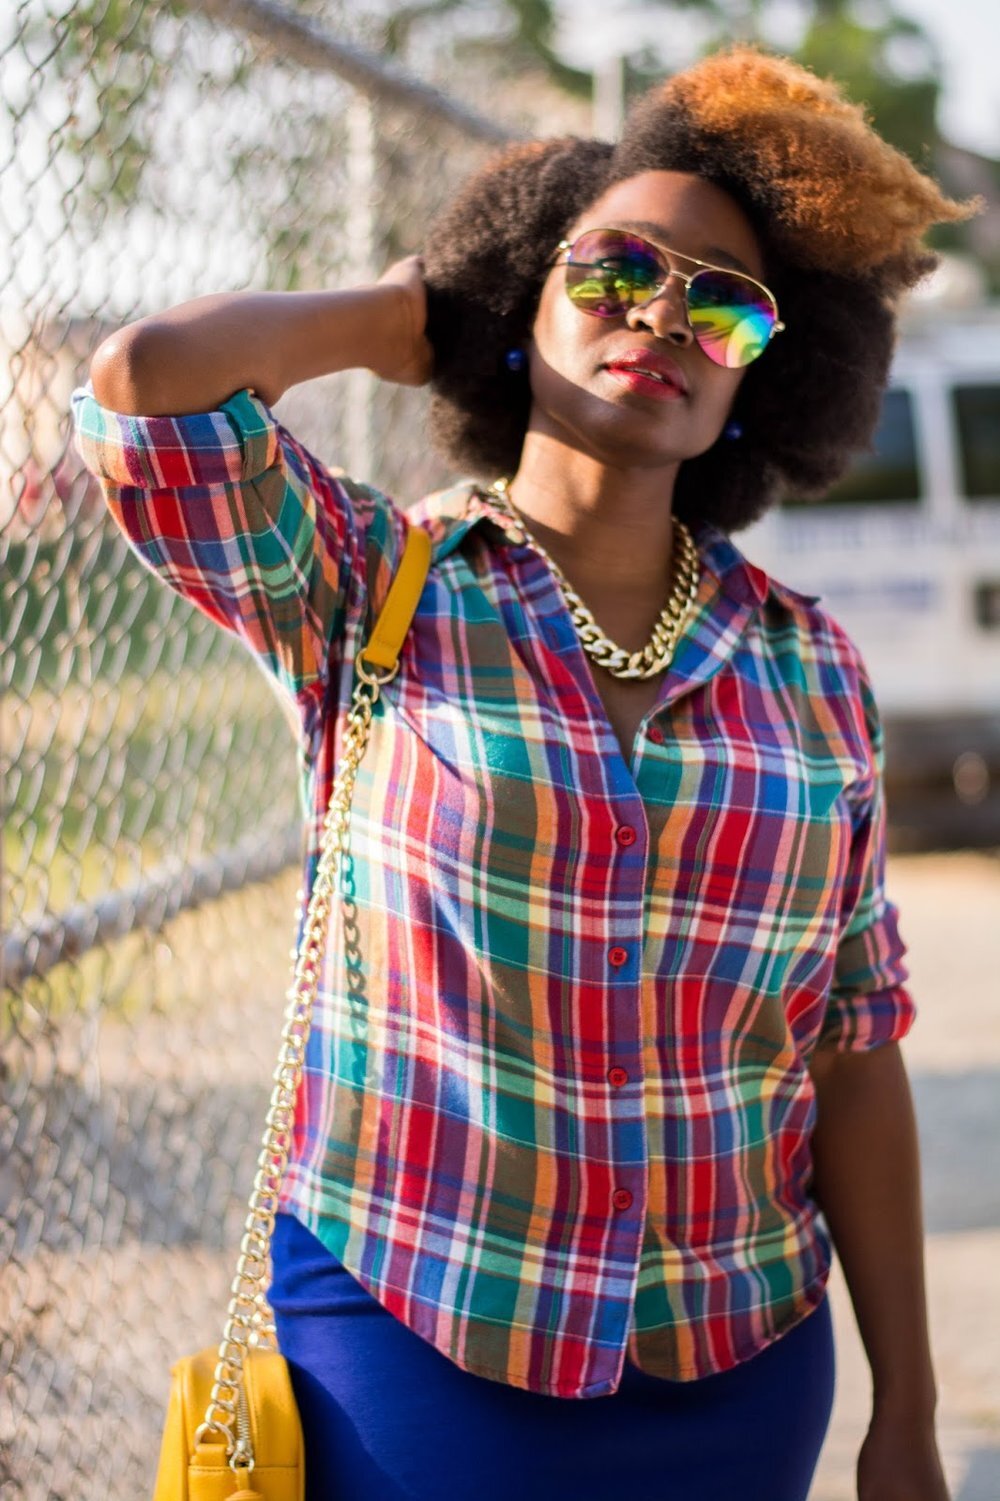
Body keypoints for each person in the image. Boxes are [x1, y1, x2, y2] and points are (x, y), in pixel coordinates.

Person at [73, 44, 978, 1501]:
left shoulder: (810, 670)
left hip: (738, 1362)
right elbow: (147, 391)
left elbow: (854, 1046)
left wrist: (909, 1413)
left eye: (726, 303)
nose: (664, 316)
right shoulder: (367, 582)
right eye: (615, 272)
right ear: (524, 302)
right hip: (416, 1340)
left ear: (772, 370)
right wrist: (413, 311)